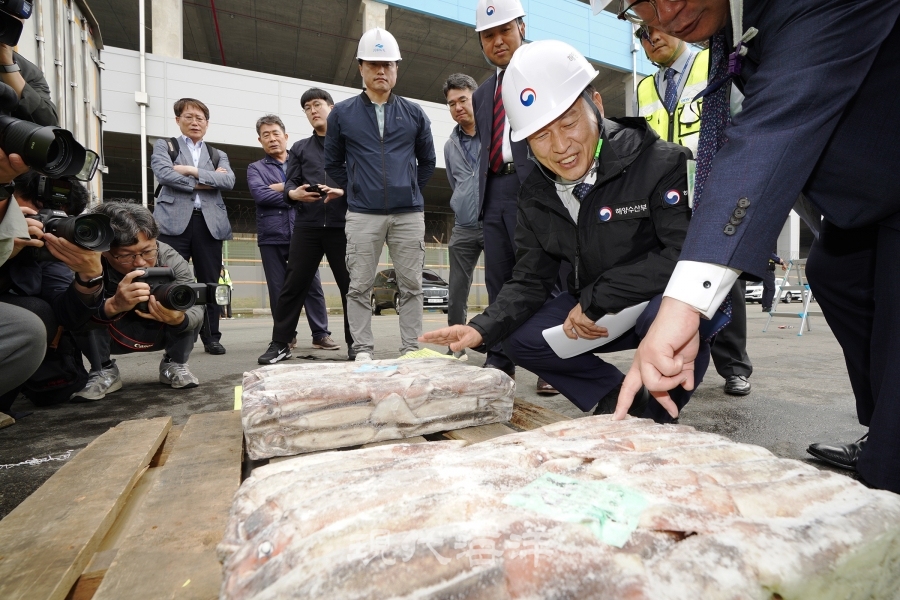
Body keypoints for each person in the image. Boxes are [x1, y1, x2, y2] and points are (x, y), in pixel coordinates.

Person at [614, 0, 900, 492]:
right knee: (836, 271)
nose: (666, 11)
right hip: (872, 186)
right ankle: (883, 432)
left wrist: (682, 307)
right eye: (641, 4)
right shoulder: (734, 26)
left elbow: (769, 130)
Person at [420, 40, 708, 422]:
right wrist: (480, 329)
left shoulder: (662, 162)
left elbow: (684, 256)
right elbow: (528, 280)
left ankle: (656, 412)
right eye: (540, 135)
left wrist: (596, 298)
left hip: (659, 305)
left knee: (678, 316)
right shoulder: (536, 194)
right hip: (597, 312)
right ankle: (614, 397)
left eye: (569, 122)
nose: (560, 147)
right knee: (517, 338)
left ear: (597, 106)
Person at [637, 26, 751, 397]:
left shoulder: (712, 62)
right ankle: (680, 350)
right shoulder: (644, 88)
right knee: (673, 276)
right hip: (666, 198)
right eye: (643, 37)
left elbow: (743, 118)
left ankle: (734, 365)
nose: (653, 39)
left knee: (720, 277)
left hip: (712, 188)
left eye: (657, 31)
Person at [324, 28, 436, 361]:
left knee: (412, 285)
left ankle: (412, 349)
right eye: (373, 64)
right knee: (358, 286)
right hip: (362, 214)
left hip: (408, 214)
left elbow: (427, 161)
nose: (381, 71)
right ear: (360, 67)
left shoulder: (414, 113)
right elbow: (333, 162)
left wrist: (410, 187)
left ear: (397, 68)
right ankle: (362, 350)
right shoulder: (342, 114)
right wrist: (358, 187)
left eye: (388, 64)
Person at [70, 201, 206, 398]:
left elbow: (196, 306)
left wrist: (178, 319)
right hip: (112, 331)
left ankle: (175, 363)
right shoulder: (90, 260)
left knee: (190, 302)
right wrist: (113, 305)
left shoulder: (169, 257)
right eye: (126, 256)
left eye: (147, 251)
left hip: (160, 328)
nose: (140, 262)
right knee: (84, 305)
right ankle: (103, 369)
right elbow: (72, 312)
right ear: (105, 251)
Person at [259, 90, 353, 364]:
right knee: (293, 285)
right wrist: (293, 194)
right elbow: (290, 183)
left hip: (342, 226)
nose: (313, 110)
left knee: (351, 287)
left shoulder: (350, 145)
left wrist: (341, 191)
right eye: (307, 107)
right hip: (307, 226)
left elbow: (362, 181)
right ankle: (280, 343)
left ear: (331, 108)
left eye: (318, 105)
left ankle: (357, 345)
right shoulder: (299, 148)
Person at [0, 173, 101, 409]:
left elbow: (66, 314)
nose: (42, 219)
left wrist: (89, 277)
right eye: (37, 208)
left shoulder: (44, 239)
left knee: (40, 313)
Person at [150, 97, 235, 356]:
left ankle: (212, 337)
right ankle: (171, 335)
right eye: (189, 117)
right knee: (170, 279)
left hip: (210, 224)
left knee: (211, 282)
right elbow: (164, 173)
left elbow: (229, 180)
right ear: (178, 120)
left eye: (200, 118)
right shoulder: (165, 146)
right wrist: (209, 181)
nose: (195, 122)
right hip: (172, 222)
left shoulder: (218, 154)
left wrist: (190, 171)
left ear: (207, 124)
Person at [246, 114, 335, 350]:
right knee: (279, 289)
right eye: (266, 135)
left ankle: (320, 334)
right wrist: (291, 192)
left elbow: (312, 190)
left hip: (302, 233)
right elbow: (260, 194)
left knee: (313, 286)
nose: (272, 139)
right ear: (260, 140)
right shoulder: (255, 168)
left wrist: (280, 189)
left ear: (285, 137)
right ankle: (287, 335)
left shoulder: (302, 158)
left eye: (276, 134)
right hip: (271, 236)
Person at [442, 73, 483, 362]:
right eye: (451, 103)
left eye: (463, 100)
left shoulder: (495, 133)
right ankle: (456, 348)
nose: (458, 107)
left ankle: (503, 348)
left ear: (475, 98)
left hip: (495, 222)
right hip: (464, 227)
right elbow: (456, 184)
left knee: (503, 286)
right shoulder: (449, 146)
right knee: (456, 291)